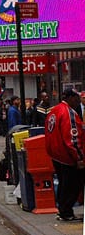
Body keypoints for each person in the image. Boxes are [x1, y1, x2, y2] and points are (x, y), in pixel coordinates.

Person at [45, 88, 85, 222]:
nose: (79, 101)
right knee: (72, 185)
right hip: (67, 157)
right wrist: (79, 157)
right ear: (71, 98)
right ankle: (66, 211)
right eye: (77, 98)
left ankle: (63, 211)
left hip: (57, 155)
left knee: (64, 184)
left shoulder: (54, 111)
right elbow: (73, 138)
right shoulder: (68, 113)